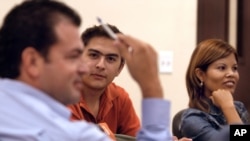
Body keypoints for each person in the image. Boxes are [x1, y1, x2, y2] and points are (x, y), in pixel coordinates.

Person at [0, 0, 191, 141]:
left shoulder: (117, 97)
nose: (87, 67)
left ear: (120, 67)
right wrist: (151, 86)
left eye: (110, 59)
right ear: (32, 62)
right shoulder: (64, 133)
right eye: (75, 56)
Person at [67, 24, 140, 137]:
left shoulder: (120, 98)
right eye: (94, 55)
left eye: (110, 59)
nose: (101, 65)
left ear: (119, 68)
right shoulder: (62, 95)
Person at [172, 39, 250, 141]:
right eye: (222, 68)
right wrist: (228, 107)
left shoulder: (238, 107)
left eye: (234, 68)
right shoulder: (192, 118)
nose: (231, 74)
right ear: (200, 74)